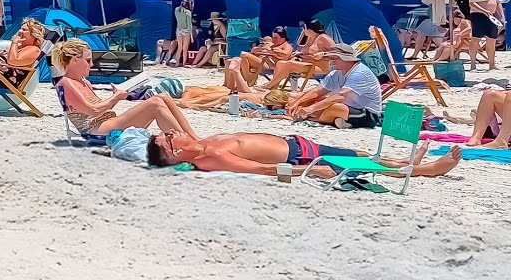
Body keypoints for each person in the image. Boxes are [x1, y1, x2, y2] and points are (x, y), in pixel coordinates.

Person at [147, 129, 462, 178]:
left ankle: (406, 163)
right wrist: (309, 170)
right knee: (361, 164)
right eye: (170, 136)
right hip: (300, 158)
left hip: (299, 145)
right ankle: (427, 171)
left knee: (361, 153)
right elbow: (262, 169)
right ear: (175, 150)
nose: (174, 132)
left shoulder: (204, 143)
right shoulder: (209, 158)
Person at [51, 38, 202, 137]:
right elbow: (93, 111)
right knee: (155, 104)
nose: (91, 64)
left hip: (107, 122)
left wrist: (118, 95)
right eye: (88, 60)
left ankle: (193, 138)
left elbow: (99, 108)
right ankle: (185, 143)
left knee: (163, 97)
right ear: (74, 60)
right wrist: (115, 97)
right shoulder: (66, 83)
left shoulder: (84, 82)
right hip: (95, 129)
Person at [285, 43, 383, 128]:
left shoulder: (360, 73)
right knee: (298, 100)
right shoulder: (336, 73)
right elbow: (316, 92)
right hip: (348, 107)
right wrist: (296, 103)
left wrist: (311, 108)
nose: (331, 61)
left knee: (335, 108)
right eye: (330, 58)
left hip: (368, 114)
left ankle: (314, 118)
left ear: (347, 59)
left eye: (335, 57)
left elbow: (340, 96)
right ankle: (334, 120)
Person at [260, 20, 332, 90]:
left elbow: (336, 50)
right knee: (280, 63)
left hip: (318, 66)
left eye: (304, 28)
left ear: (310, 29)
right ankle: (274, 86)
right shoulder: (310, 38)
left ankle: (269, 85)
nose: (303, 30)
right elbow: (308, 50)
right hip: (307, 64)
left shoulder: (323, 38)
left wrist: (323, 54)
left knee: (289, 64)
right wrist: (300, 53)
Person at [224, 27, 293, 92]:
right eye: (273, 37)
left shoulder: (286, 45)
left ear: (283, 38)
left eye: (276, 38)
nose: (274, 39)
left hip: (270, 65)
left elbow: (286, 54)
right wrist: (259, 49)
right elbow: (254, 51)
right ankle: (227, 84)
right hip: (261, 62)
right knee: (229, 61)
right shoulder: (272, 44)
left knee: (244, 55)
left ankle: (248, 78)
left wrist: (271, 51)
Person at [467, 0, 503, 70]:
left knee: (492, 40)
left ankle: (492, 65)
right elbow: (471, 3)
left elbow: (498, 3)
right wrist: (484, 11)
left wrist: (502, 16)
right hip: (478, 14)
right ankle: (473, 64)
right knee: (476, 39)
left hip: (492, 16)